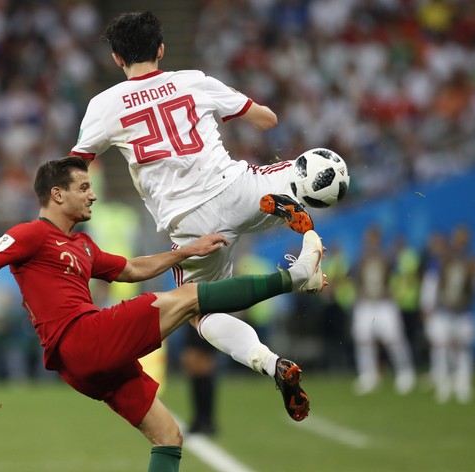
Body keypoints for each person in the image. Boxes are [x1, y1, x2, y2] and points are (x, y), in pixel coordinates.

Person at [0, 156, 324, 472]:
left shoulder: (82, 245)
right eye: (83, 188)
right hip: (82, 338)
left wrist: (185, 252)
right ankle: (296, 276)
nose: (93, 195)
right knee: (188, 297)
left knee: (168, 436)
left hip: (84, 365)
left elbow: (132, 269)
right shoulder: (33, 234)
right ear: (56, 195)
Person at [70, 10, 319, 435]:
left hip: (189, 223)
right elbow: (267, 119)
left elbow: (77, 164)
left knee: (199, 311)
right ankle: (302, 219)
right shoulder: (192, 79)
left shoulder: (104, 104)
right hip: (236, 188)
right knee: (302, 169)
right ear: (161, 50)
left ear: (116, 59)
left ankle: (269, 362)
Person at [351, 226, 416, 395]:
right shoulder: (361, 258)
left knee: (393, 338)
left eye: (373, 238)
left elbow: (399, 277)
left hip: (384, 303)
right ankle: (368, 374)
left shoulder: (386, 257)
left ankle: (405, 372)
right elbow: (356, 279)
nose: (370, 241)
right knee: (363, 340)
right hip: (365, 303)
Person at [421, 225, 475, 403]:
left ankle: (463, 383)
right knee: (442, 346)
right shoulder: (444, 260)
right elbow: (433, 283)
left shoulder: (471, 261)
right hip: (445, 310)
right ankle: (444, 382)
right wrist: (429, 305)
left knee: (463, 347)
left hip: (463, 311)